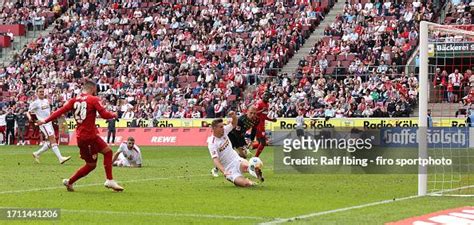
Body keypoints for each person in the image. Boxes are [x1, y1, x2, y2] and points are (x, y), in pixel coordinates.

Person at [37, 80, 124, 192]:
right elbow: (104, 115)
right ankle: (105, 180)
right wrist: (114, 114)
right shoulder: (93, 99)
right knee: (92, 164)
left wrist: (45, 120)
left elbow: (60, 111)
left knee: (107, 152)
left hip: (83, 136)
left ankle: (73, 182)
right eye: (95, 90)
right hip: (89, 137)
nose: (96, 92)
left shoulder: (74, 100)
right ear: (92, 89)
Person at [208, 111, 263, 187]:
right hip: (229, 169)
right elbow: (215, 160)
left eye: (223, 126)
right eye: (221, 127)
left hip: (237, 160)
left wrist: (234, 116)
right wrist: (224, 171)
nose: (223, 128)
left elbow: (234, 124)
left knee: (247, 165)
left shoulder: (224, 131)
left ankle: (253, 170)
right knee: (247, 184)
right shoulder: (212, 143)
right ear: (214, 128)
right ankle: (249, 181)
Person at [28, 87, 71, 164]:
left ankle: (36, 153)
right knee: (52, 140)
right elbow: (28, 112)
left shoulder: (46, 101)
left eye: (42, 91)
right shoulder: (35, 103)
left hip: (49, 122)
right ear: (36, 93)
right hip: (43, 124)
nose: (41, 93)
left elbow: (48, 112)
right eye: (40, 91)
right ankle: (60, 158)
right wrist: (33, 120)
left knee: (50, 142)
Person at [254, 92, 277, 157]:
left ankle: (249, 149)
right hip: (257, 124)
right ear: (263, 97)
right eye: (265, 96)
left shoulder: (267, 105)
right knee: (263, 142)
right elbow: (254, 113)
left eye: (267, 97)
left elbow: (264, 116)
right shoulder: (259, 103)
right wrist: (261, 110)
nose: (266, 98)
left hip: (262, 125)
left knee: (261, 142)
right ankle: (255, 157)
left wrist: (272, 120)